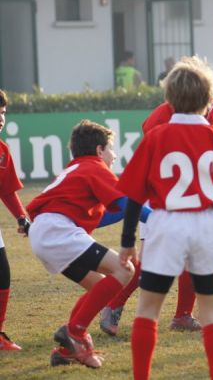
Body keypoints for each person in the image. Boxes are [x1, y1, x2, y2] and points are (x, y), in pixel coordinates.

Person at [117, 56, 213, 380]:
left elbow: (135, 196)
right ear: (211, 101)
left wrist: (127, 242)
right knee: (212, 313)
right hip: (209, 225)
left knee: (148, 311)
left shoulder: (155, 137)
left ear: (168, 100)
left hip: (167, 223)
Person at [99, 90, 213, 337]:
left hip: (197, 202)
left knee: (192, 258)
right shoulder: (164, 115)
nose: (209, 104)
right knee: (151, 263)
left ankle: (182, 315)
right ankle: (113, 305)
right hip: (164, 200)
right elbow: (153, 154)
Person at [26, 120, 152, 368]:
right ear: (98, 150)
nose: (114, 155)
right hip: (57, 231)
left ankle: (66, 350)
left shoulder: (77, 168)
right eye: (111, 149)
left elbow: (111, 212)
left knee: (101, 284)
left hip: (46, 232)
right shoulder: (95, 167)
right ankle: (75, 332)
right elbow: (127, 203)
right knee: (125, 270)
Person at [0, 89, 30, 351]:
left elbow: (7, 190)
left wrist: (22, 218)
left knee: (2, 275)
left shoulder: (2, 151)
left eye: (2, 113)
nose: (0, 118)